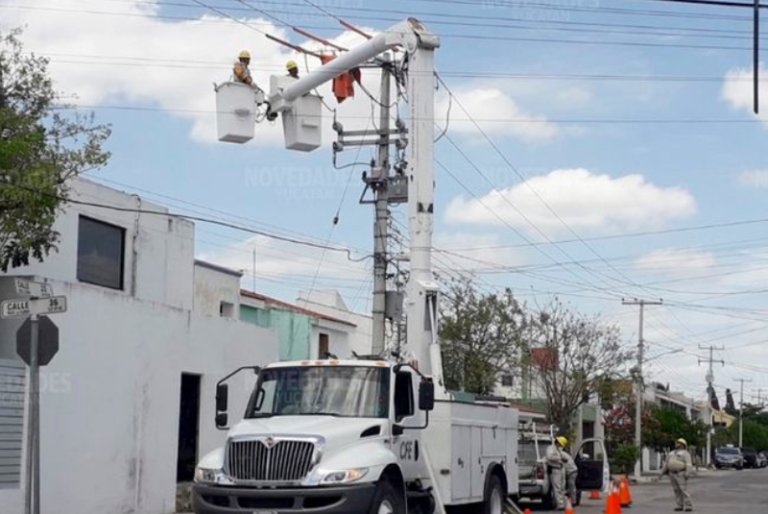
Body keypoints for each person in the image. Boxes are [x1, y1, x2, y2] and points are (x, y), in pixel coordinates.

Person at [662, 438, 694, 512]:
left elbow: (688, 464)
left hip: (681, 473)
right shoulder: (671, 453)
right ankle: (679, 505)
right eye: (677, 443)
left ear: (683, 445)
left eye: (680, 443)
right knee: (676, 490)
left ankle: (688, 506)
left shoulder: (685, 453)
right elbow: (666, 464)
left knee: (683, 490)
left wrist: (687, 473)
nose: (678, 444)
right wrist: (662, 473)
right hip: (672, 474)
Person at [546, 436, 569, 510]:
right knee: (557, 488)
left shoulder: (558, 449)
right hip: (555, 469)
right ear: (558, 442)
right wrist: (559, 459)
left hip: (560, 468)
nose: (561, 446)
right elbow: (549, 457)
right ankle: (560, 505)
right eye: (561, 444)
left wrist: (563, 459)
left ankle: (560, 503)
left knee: (562, 488)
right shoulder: (550, 448)